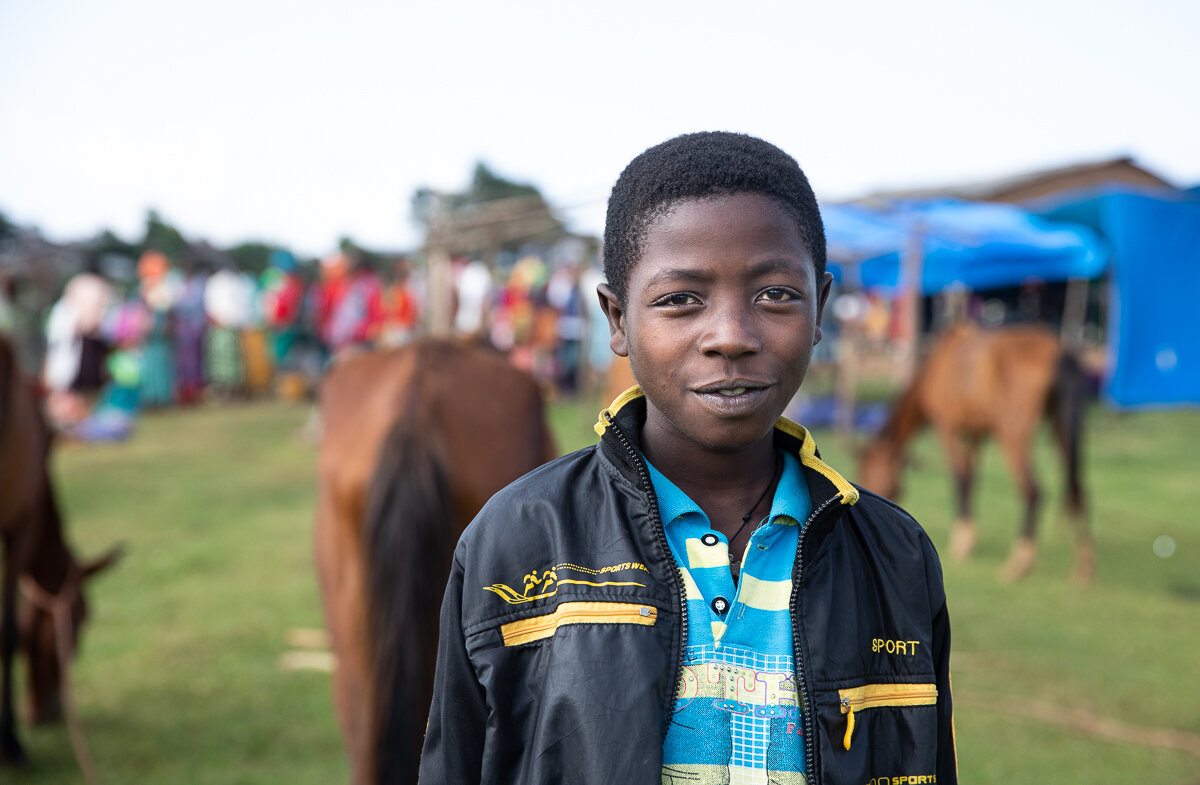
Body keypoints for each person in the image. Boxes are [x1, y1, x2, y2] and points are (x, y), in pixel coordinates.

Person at [420, 132, 956, 785]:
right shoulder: (515, 539)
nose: (731, 334)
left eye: (776, 294)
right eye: (680, 299)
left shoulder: (895, 556)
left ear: (820, 305)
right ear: (616, 318)